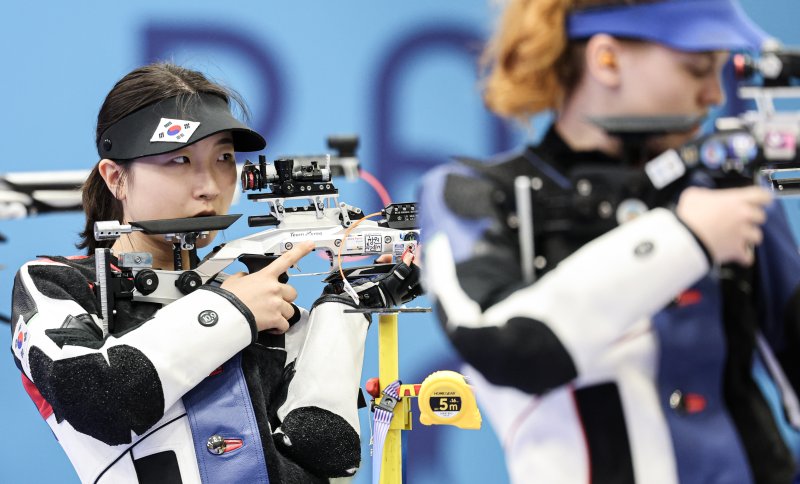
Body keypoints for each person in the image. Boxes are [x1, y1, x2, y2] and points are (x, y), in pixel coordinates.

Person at [419, 0, 800, 482]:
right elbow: (505, 344)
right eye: (698, 68)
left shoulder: (721, 187)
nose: (712, 95)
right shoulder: (470, 192)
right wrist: (685, 239)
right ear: (607, 60)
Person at [10, 63, 420, 483]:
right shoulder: (58, 284)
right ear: (116, 177)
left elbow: (327, 455)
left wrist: (342, 309)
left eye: (224, 158)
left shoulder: (260, 299)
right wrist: (232, 310)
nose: (209, 184)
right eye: (180, 159)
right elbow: (97, 398)